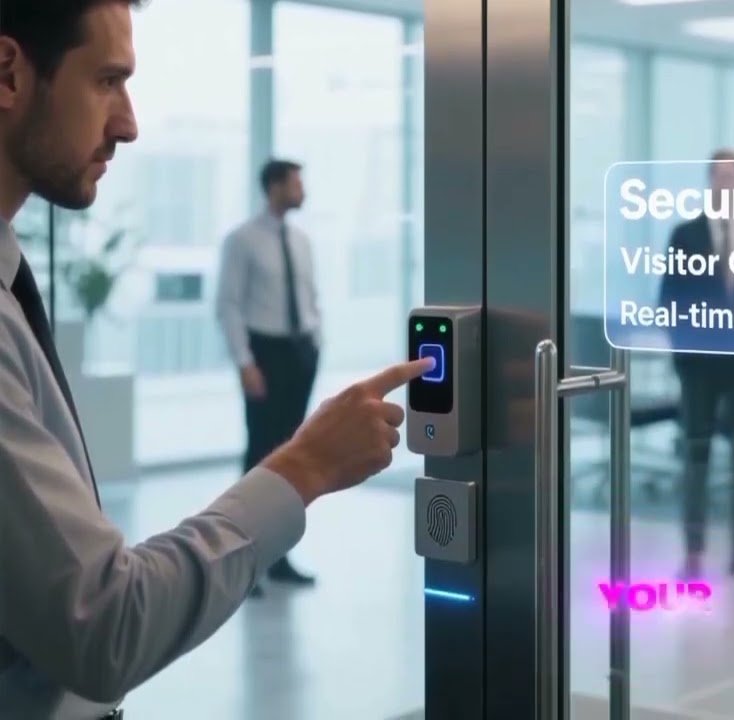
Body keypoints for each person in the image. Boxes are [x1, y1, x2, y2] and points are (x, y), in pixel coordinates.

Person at [0, 2, 430, 717]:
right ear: (9, 71)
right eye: (108, 80)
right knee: (268, 448)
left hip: (299, 347)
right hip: (264, 353)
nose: (128, 123)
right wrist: (306, 468)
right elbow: (104, 626)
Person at [658, 148, 734, 582]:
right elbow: (669, 302)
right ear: (709, 181)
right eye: (719, 176)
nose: (725, 183)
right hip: (699, 365)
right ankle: (693, 554)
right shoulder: (684, 236)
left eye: (733, 177)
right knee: (697, 457)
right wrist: (683, 355)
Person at [216, 158, 320, 594]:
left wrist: (316, 341)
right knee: (261, 455)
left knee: (290, 453)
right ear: (275, 187)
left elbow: (310, 296)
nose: (303, 191)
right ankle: (248, 562)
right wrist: (245, 362)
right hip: (265, 353)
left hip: (300, 350)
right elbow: (228, 305)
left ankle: (278, 558)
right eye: (296, 183)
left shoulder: (300, 240)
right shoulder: (242, 240)